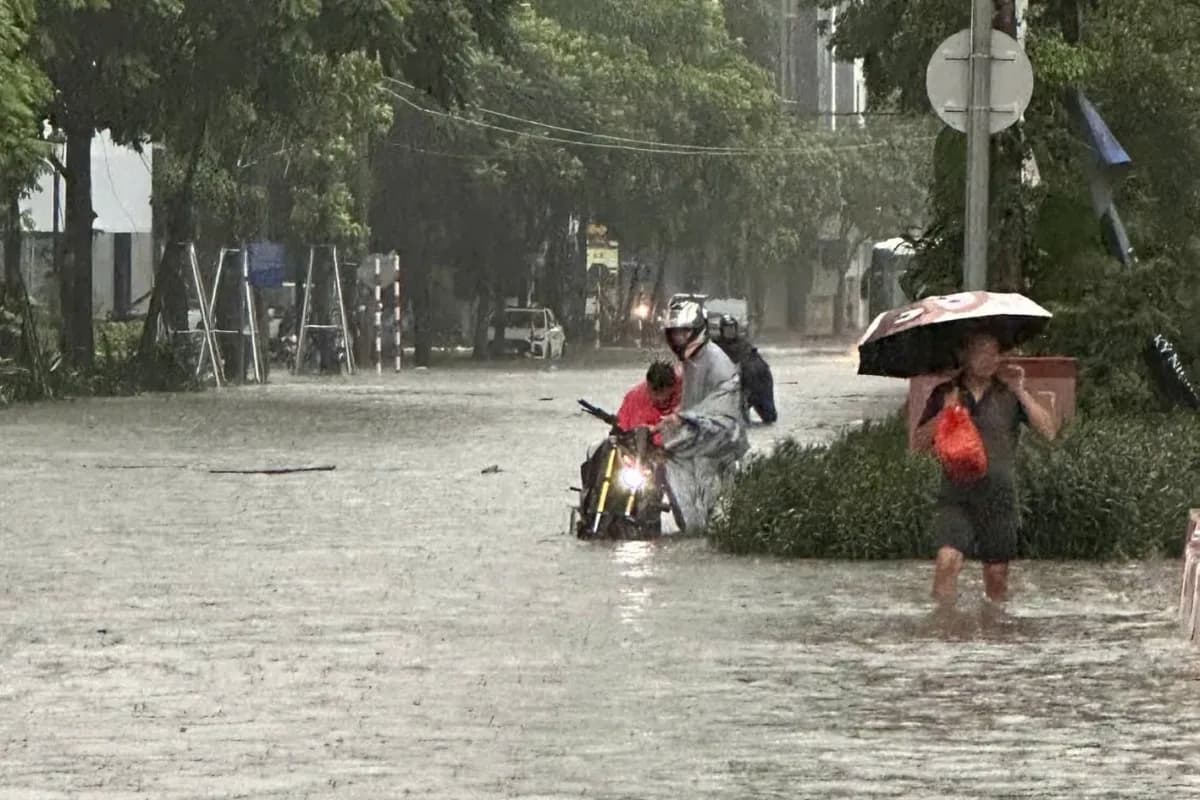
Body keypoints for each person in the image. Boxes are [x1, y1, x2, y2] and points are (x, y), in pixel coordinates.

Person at [914, 330, 1058, 605]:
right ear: (964, 355)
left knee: (997, 576)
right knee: (947, 562)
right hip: (956, 496)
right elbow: (919, 444)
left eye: (995, 352)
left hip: (999, 496)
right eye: (982, 351)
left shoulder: (1009, 393)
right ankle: (942, 627)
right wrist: (945, 414)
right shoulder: (946, 393)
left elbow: (1049, 431)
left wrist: (1021, 390)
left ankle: (994, 636)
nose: (990, 359)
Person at [654, 299, 750, 534]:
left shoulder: (716, 361)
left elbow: (724, 414)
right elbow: (693, 401)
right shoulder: (692, 361)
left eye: (684, 332)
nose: (679, 338)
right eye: (675, 333)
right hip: (701, 443)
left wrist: (683, 420)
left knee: (715, 524)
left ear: (697, 330)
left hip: (718, 447)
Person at [711, 314, 778, 424]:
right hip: (730, 383)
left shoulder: (744, 344)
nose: (730, 332)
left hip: (756, 383)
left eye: (732, 328)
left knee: (769, 417)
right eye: (727, 329)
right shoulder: (715, 346)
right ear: (722, 330)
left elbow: (755, 365)